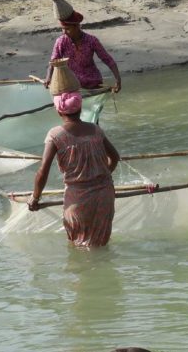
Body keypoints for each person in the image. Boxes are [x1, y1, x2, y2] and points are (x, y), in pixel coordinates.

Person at [28, 91, 120, 248]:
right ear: (80, 108)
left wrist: (35, 198)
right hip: (105, 194)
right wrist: (100, 179)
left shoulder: (56, 135)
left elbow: (43, 171)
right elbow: (115, 157)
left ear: (59, 111)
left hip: (78, 198)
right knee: (100, 245)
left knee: (79, 247)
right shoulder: (95, 130)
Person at [43, 9, 122, 93]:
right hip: (72, 85)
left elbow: (107, 59)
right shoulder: (61, 41)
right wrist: (48, 77)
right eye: (63, 29)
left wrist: (118, 79)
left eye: (67, 29)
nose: (64, 32)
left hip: (93, 84)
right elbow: (53, 62)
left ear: (77, 27)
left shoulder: (92, 40)